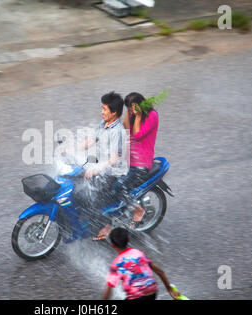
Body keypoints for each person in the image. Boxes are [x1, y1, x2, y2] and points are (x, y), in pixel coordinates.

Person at [73, 91, 127, 240]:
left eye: (104, 109)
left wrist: (95, 169)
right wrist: (71, 149)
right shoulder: (104, 124)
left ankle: (106, 226)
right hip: (100, 164)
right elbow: (90, 141)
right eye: (102, 108)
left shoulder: (118, 132)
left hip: (114, 172)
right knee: (75, 182)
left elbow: (114, 159)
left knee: (89, 193)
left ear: (114, 112)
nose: (101, 111)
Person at [101, 227, 180, 300]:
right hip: (152, 293)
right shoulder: (138, 253)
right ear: (129, 239)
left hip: (137, 297)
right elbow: (160, 271)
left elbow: (108, 289)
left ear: (112, 245)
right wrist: (169, 288)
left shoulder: (116, 264)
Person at [118, 92, 159, 228]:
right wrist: (129, 113)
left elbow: (137, 135)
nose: (131, 111)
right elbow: (125, 127)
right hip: (130, 160)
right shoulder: (132, 114)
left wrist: (138, 115)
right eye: (129, 108)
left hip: (141, 163)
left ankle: (138, 211)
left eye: (132, 108)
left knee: (121, 187)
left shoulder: (151, 115)